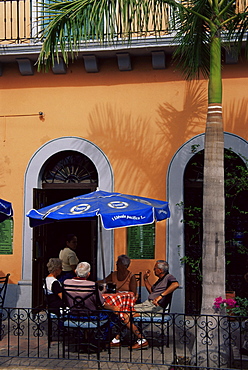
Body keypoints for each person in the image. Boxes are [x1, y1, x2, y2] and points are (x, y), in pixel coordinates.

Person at [64, 262, 148, 350]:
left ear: (75, 271)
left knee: (118, 313)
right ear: (88, 274)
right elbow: (102, 304)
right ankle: (109, 338)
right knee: (117, 314)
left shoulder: (66, 282)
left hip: (73, 314)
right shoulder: (92, 285)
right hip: (92, 316)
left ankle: (112, 339)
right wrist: (114, 307)